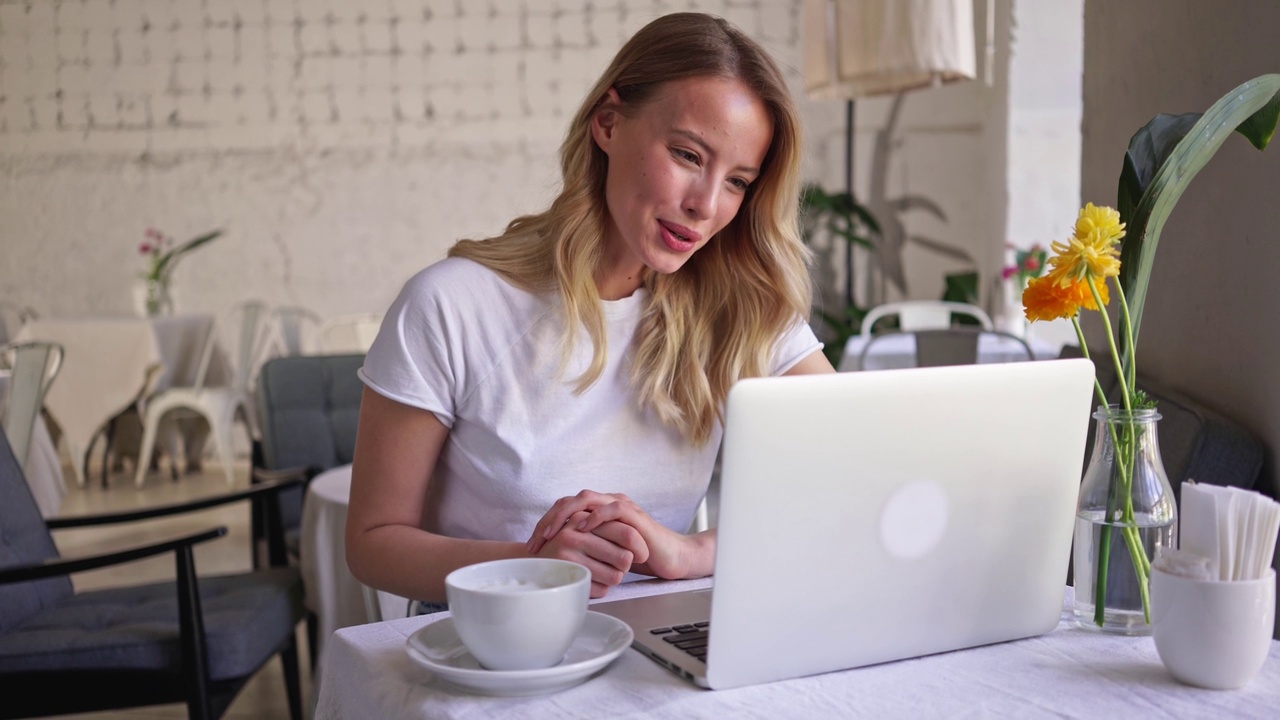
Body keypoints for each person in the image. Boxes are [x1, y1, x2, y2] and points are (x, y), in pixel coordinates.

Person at [346, 12, 835, 607]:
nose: (705, 205)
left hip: (659, 644)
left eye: (738, 181)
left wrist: (690, 553)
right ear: (608, 123)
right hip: (491, 656)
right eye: (686, 154)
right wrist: (531, 565)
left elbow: (853, 478)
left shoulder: (744, 311)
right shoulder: (451, 305)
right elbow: (373, 543)